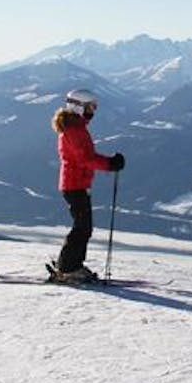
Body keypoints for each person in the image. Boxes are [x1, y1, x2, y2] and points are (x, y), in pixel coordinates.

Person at [50, 88, 125, 283]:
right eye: (90, 107)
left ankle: (72, 266)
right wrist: (110, 164)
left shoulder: (76, 127)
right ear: (78, 106)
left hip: (76, 184)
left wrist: (109, 163)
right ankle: (67, 268)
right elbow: (85, 159)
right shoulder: (74, 129)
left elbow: (85, 158)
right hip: (74, 184)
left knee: (83, 227)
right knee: (82, 228)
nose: (93, 111)